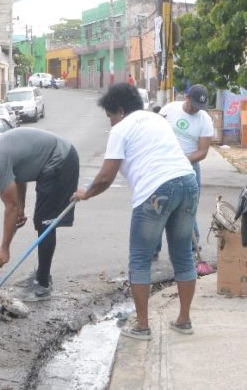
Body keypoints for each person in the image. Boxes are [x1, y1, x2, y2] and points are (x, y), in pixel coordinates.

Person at [73, 84, 198, 340]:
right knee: (183, 255)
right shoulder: (157, 119)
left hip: (156, 191)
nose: (110, 121)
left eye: (110, 115)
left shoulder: (120, 129)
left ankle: (142, 326)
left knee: (140, 260)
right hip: (187, 181)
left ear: (119, 110)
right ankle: (184, 320)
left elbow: (106, 176)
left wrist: (86, 193)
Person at [0, 127, 79, 301]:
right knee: (42, 221)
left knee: (45, 223)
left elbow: (10, 207)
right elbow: (18, 177)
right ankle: (41, 276)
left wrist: (4, 248)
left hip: (61, 159)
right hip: (51, 161)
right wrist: (22, 207)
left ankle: (43, 285)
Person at [158, 84, 214, 252]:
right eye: (194, 105)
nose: (196, 110)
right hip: (164, 164)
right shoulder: (170, 109)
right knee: (158, 205)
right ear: (187, 97)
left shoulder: (205, 119)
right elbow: (156, 132)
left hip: (189, 167)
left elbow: (203, 152)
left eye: (199, 107)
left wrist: (182, 160)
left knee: (189, 207)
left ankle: (192, 247)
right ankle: (153, 249)